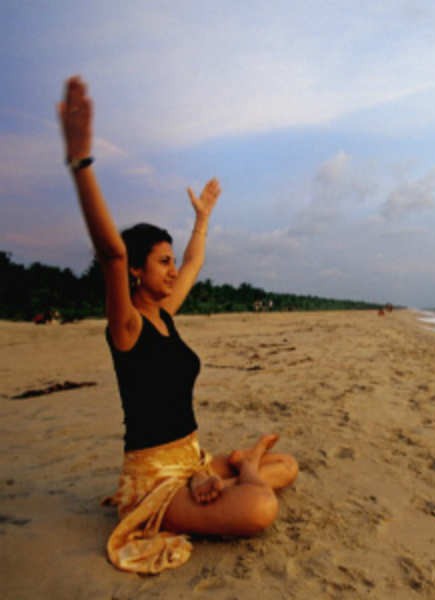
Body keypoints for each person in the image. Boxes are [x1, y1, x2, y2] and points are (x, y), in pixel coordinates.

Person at [59, 76, 298, 574]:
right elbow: (111, 251)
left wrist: (203, 219)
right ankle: (243, 468)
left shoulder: (166, 313)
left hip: (191, 460)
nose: (172, 270)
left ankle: (232, 472)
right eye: (161, 262)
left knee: (289, 467)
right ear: (136, 271)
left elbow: (193, 264)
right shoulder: (126, 326)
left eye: (171, 261)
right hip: (153, 479)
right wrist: (81, 164)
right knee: (260, 507)